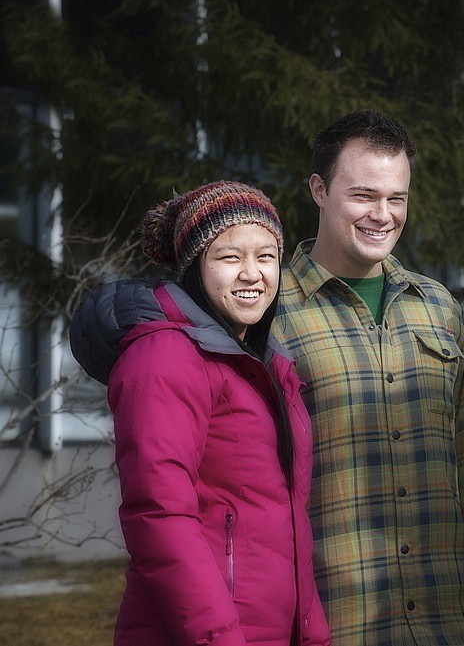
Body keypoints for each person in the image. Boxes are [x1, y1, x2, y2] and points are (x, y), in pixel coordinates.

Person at [274, 109, 464, 644]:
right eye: (363, 196)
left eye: (396, 198)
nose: (383, 215)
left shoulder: (439, 308)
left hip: (452, 621)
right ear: (318, 189)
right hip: (334, 621)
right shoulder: (269, 315)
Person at [69, 181, 331, 645]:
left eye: (266, 257)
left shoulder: (262, 360)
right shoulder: (167, 355)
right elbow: (159, 513)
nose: (252, 274)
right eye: (230, 257)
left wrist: (312, 633)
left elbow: (286, 519)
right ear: (195, 267)